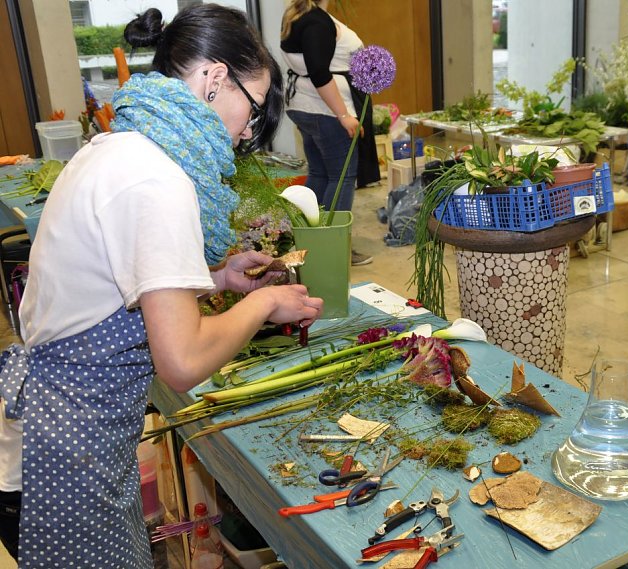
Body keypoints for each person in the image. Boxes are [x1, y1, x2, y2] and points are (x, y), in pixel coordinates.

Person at [0, 5, 323, 566]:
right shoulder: (157, 178)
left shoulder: (119, 147)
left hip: (57, 434)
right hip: (63, 454)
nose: (246, 133)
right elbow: (182, 359)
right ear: (215, 78)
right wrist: (269, 300)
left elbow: (111, 280)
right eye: (251, 112)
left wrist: (217, 277)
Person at [280, 0, 380, 266]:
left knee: (320, 174)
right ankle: (333, 249)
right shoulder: (316, 22)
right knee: (342, 177)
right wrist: (344, 115)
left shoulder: (297, 16)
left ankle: (308, 243)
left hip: (305, 106)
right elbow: (319, 72)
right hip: (325, 110)